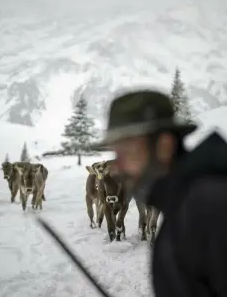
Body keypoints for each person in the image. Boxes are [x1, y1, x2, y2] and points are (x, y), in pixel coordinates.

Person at [92, 89, 227, 297]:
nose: (117, 168)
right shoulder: (184, 203)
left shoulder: (210, 207)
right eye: (115, 154)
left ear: (164, 146)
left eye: (127, 152)